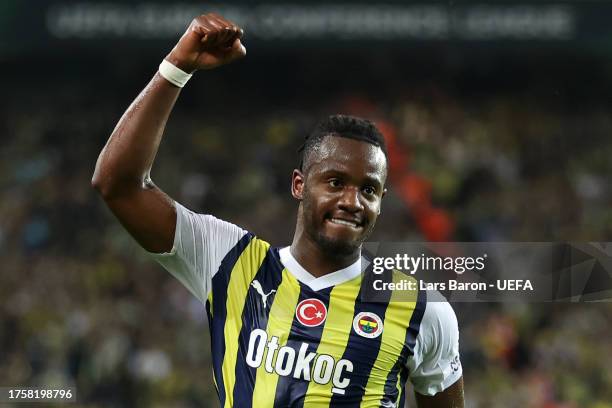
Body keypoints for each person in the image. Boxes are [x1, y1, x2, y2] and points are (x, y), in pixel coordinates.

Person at [92, 12, 464, 408]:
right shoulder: (229, 261)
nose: (352, 201)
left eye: (368, 190)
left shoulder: (424, 310)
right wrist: (177, 68)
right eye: (336, 182)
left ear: (381, 200)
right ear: (299, 185)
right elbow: (117, 184)